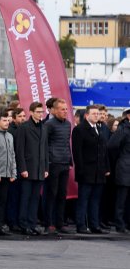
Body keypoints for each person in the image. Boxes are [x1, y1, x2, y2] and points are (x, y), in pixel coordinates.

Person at [72, 105, 110, 234]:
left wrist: (106, 167)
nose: (96, 115)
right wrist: (81, 170)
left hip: (99, 171)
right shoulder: (80, 129)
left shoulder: (100, 129)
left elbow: (104, 151)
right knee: (84, 199)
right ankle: (81, 224)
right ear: (86, 115)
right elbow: (77, 152)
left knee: (95, 199)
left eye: (98, 114)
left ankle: (95, 225)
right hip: (86, 171)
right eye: (94, 113)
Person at [14, 102, 48, 235]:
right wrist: (23, 168)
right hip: (28, 168)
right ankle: (24, 224)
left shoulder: (43, 127)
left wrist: (46, 168)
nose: (41, 114)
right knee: (25, 198)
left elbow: (45, 149)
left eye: (42, 112)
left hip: (40, 169)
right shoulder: (24, 127)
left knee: (35, 198)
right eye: (38, 112)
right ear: (32, 112)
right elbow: (20, 149)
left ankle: (32, 223)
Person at [42, 98, 74, 234]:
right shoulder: (49, 124)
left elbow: (67, 143)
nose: (65, 111)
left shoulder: (68, 124)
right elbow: (44, 145)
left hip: (64, 163)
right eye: (62, 109)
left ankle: (60, 223)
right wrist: (46, 165)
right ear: (54, 110)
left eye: (66, 109)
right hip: (53, 164)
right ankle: (48, 223)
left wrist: (70, 161)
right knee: (51, 194)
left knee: (62, 194)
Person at [106, 109, 130, 234]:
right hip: (124, 168)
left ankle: (127, 222)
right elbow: (111, 146)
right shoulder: (123, 129)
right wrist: (120, 159)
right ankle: (119, 224)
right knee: (121, 198)